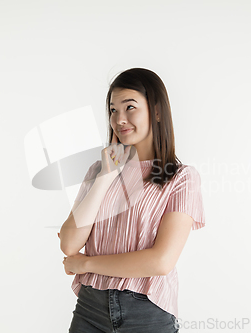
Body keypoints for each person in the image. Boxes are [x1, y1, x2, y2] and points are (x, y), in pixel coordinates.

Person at [59, 67, 206, 332]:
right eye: (113, 110)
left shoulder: (181, 178)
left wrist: (86, 263)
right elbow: (69, 244)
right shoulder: (98, 170)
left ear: (157, 111)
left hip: (146, 312)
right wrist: (105, 177)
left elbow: (160, 262)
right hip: (90, 309)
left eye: (130, 107)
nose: (119, 119)